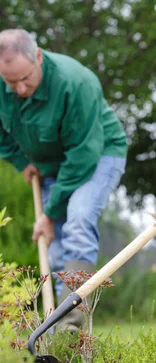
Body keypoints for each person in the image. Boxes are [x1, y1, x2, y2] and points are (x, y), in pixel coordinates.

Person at [0, 29, 128, 330]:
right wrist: (22, 162)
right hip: (49, 165)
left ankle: (70, 325)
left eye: (26, 78)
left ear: (39, 57)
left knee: (79, 220)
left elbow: (83, 156)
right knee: (54, 248)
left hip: (97, 154)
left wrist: (49, 212)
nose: (19, 89)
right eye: (10, 82)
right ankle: (56, 333)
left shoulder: (76, 82)